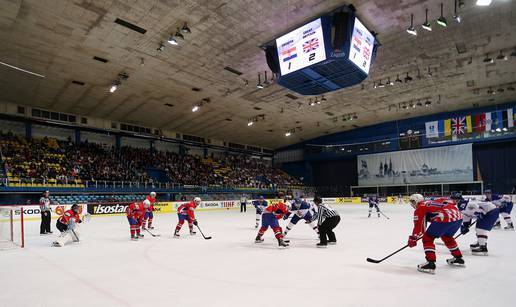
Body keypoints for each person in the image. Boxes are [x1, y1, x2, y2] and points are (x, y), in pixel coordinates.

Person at [407, 194, 464, 274]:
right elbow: (451, 202)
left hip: (445, 217)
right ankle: (458, 258)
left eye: (413, 201)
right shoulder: (432, 201)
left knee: (427, 238)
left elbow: (418, 225)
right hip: (458, 217)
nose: (412, 204)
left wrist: (413, 237)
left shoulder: (420, 207)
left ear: (417, 200)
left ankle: (430, 263)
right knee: (447, 237)